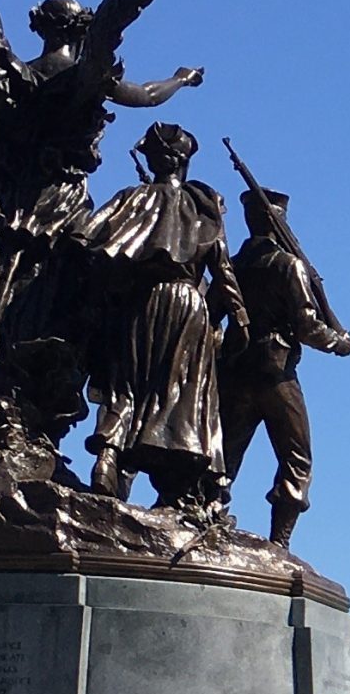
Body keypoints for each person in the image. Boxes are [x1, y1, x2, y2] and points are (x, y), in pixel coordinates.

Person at [82, 123, 249, 510]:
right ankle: (176, 485)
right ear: (183, 161)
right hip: (188, 305)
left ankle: (108, 457)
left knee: (125, 384)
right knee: (180, 394)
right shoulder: (202, 206)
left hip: (137, 304)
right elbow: (221, 268)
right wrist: (239, 316)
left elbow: (90, 244)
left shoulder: (131, 200)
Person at [220, 183, 350, 548]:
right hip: (276, 373)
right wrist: (339, 343)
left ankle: (210, 515)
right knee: (297, 456)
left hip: (233, 369)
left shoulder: (232, 265)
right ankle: (280, 541)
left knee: (225, 455)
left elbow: (212, 313)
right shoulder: (288, 265)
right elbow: (306, 325)